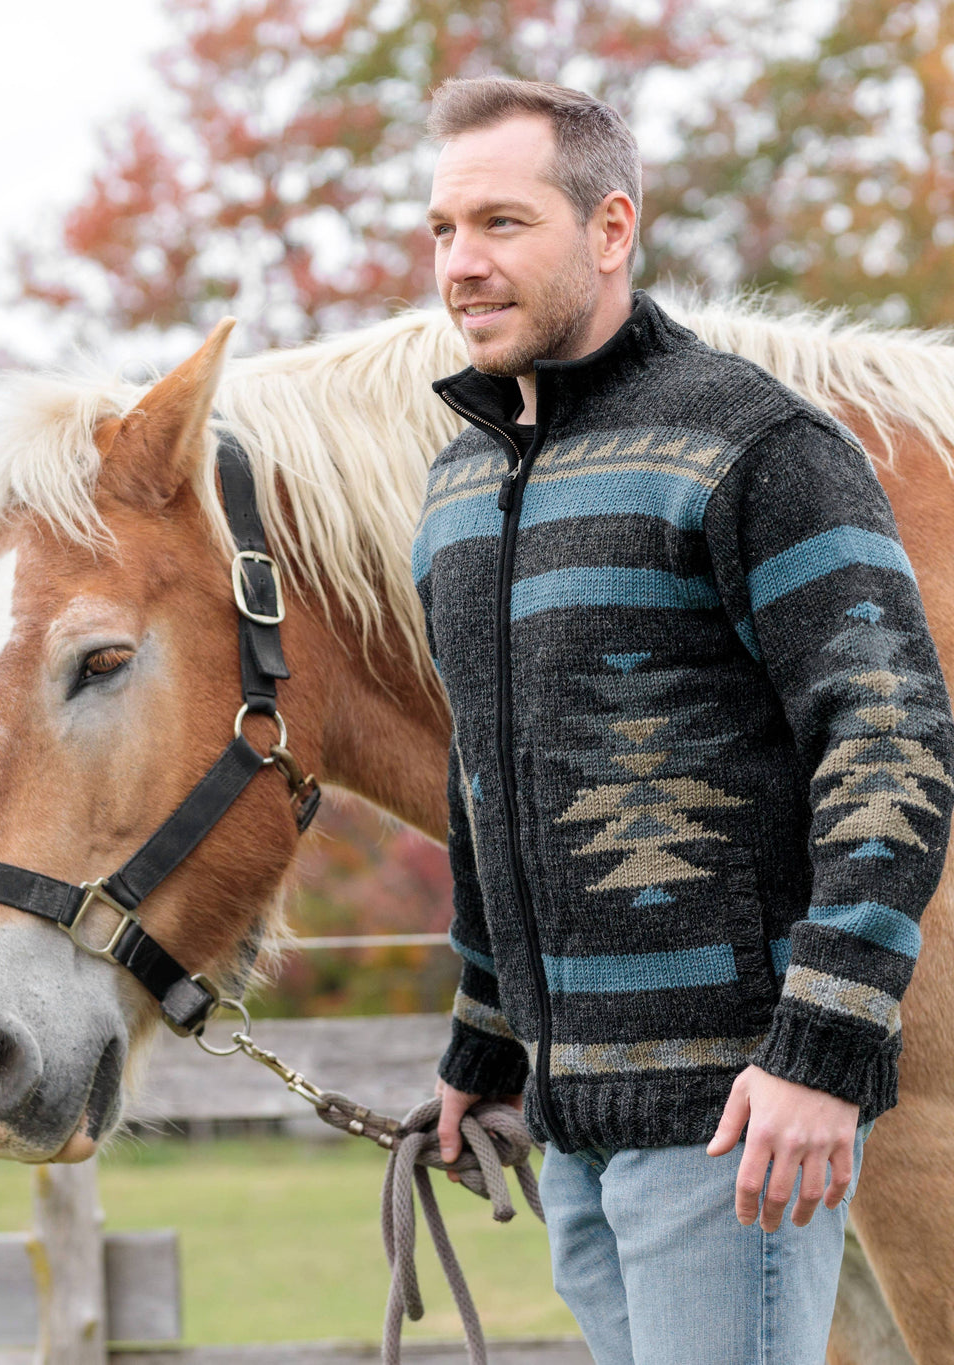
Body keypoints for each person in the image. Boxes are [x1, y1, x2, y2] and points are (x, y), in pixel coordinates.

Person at [411, 76, 954, 1363]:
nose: (462, 265)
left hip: (740, 1118)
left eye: (501, 223)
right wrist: (486, 1034)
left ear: (609, 230)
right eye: (441, 230)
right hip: (573, 1134)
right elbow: (487, 778)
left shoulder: (756, 447)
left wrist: (823, 1049)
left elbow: (890, 739)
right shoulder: (459, 489)